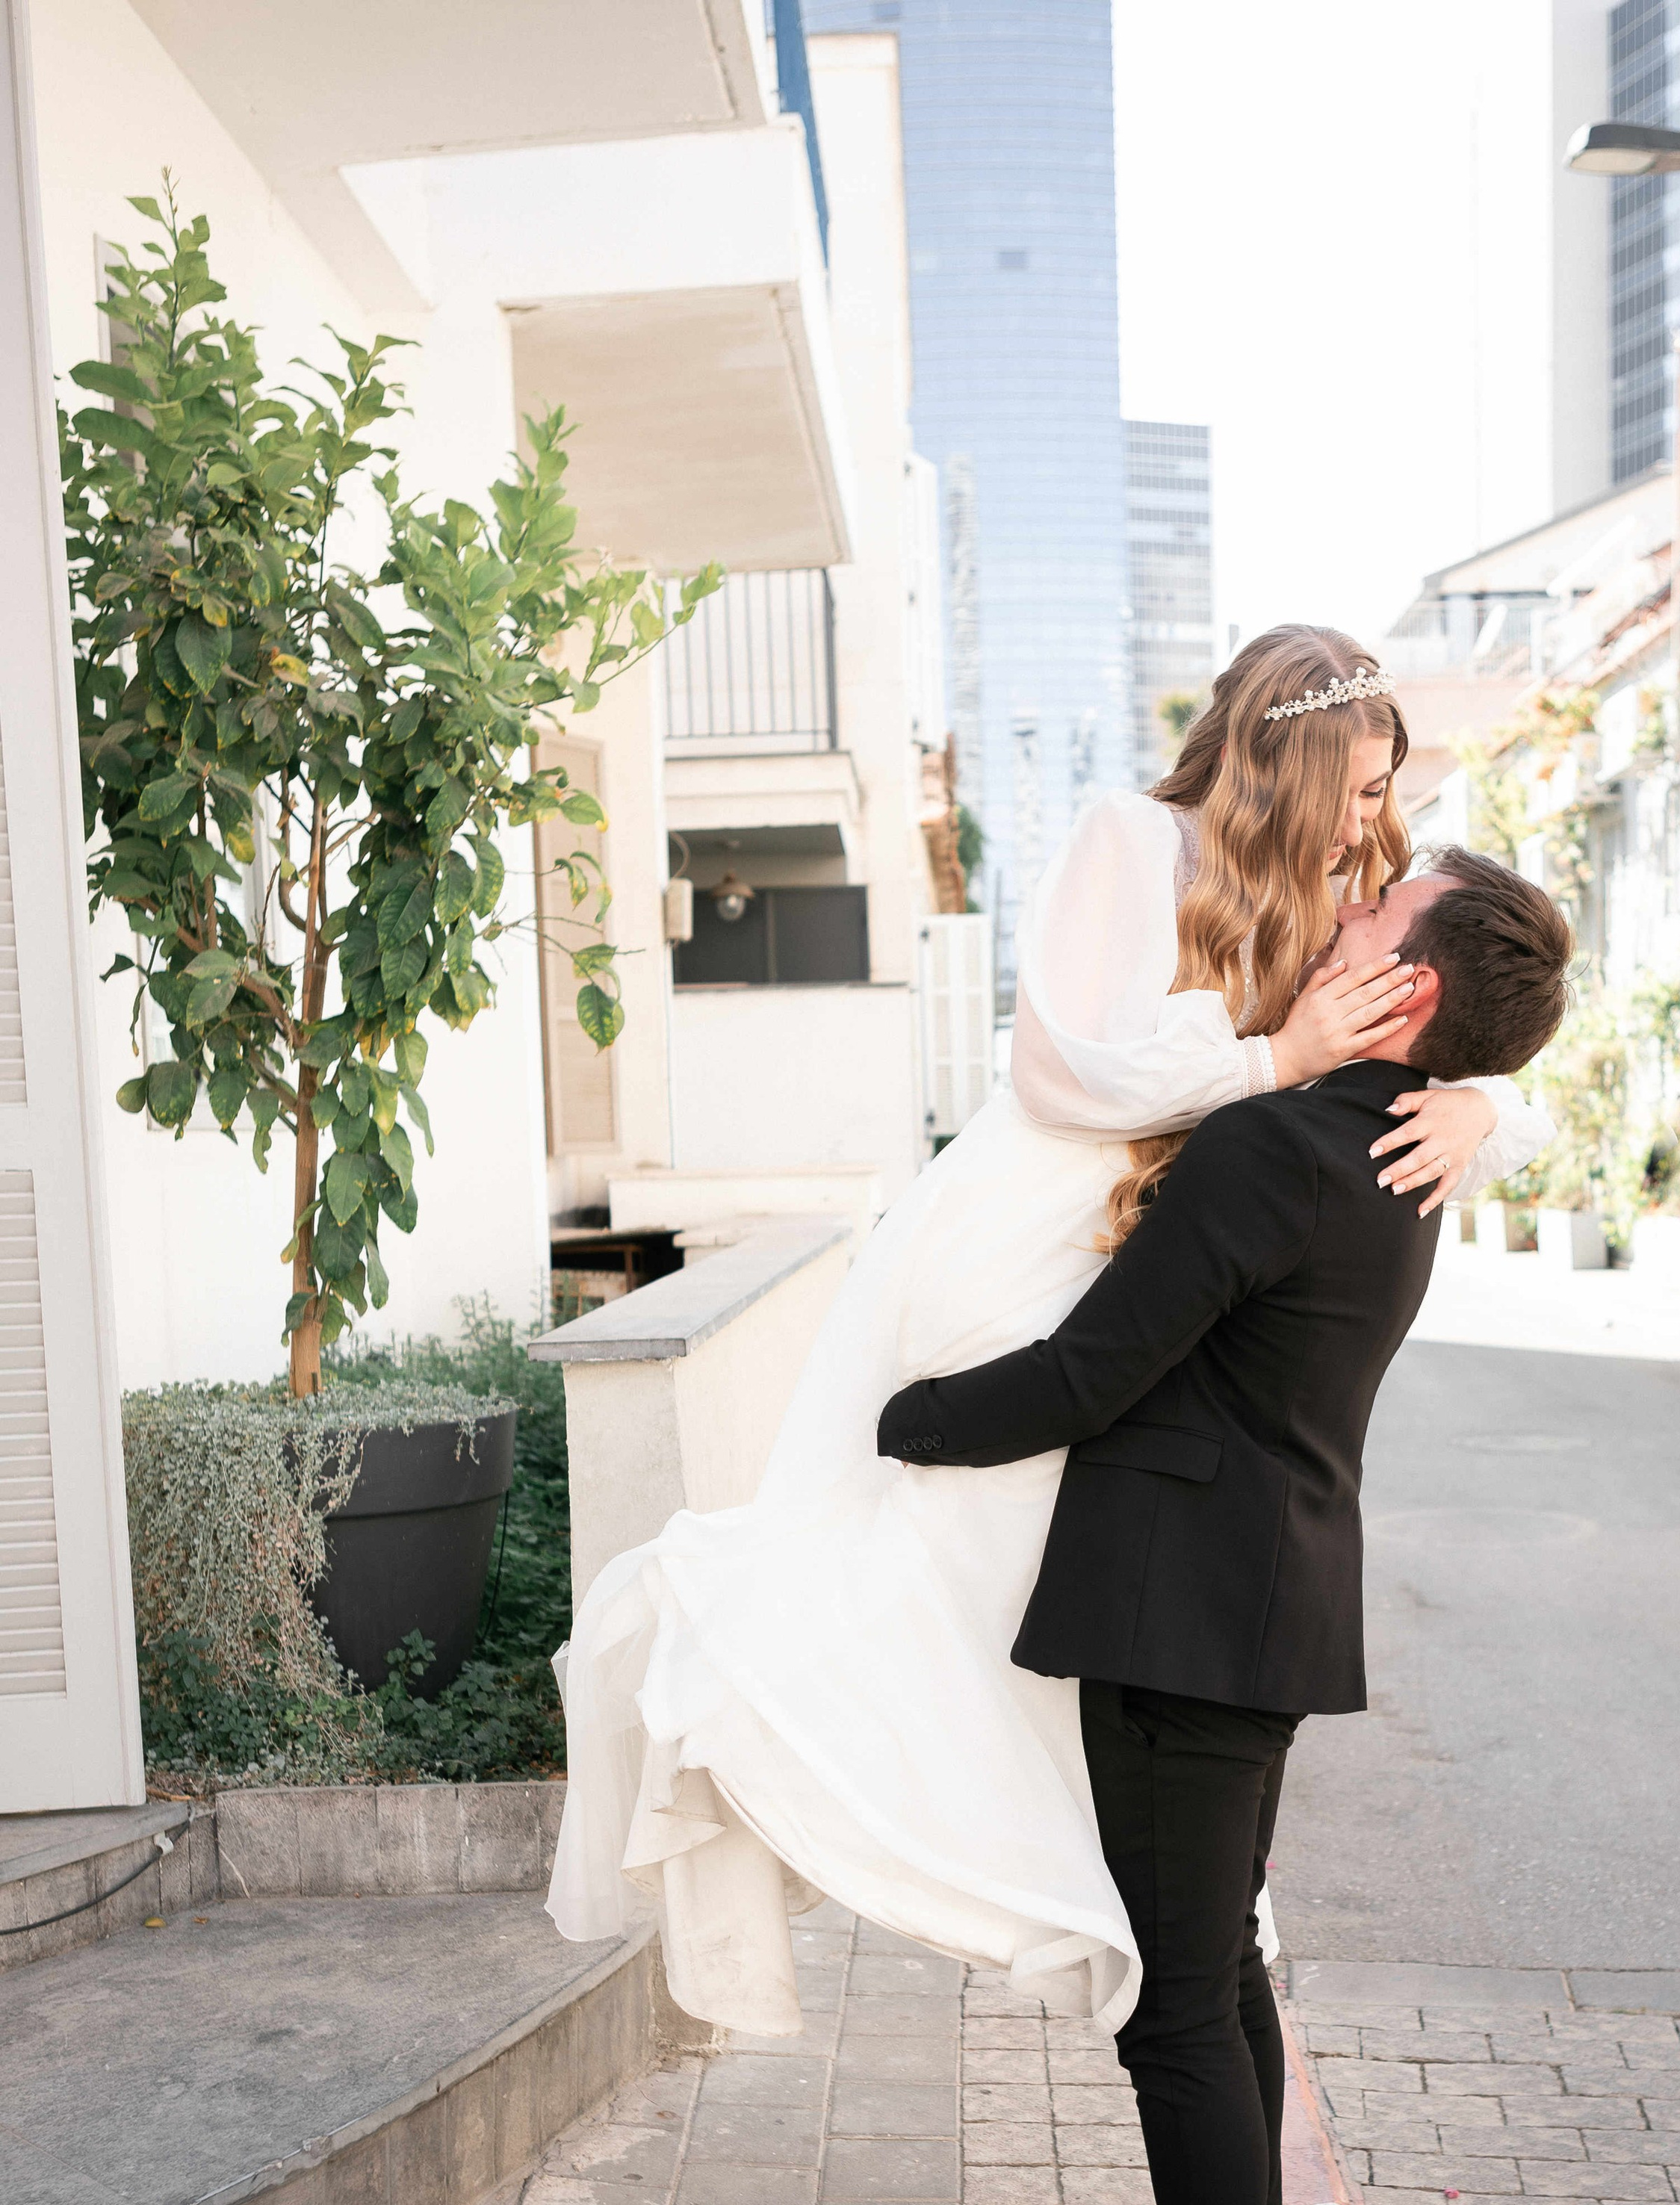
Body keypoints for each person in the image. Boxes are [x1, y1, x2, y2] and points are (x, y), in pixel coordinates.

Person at [547, 629, 1553, 2047]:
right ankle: (961, 1847)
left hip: (1175, 1241)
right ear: (1290, 755)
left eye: (1390, 789)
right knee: (925, 1561)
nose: (1376, 822)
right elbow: (1062, 1067)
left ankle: (1155, 1933)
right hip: (1039, 1223)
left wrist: (1490, 1109)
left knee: (1089, 1615)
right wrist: (1278, 1057)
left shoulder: (1364, 886)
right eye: (1365, 782)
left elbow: (1505, 996)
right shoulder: (1132, 842)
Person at [876, 843, 1575, 2205]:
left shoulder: (1279, 1143)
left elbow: (1093, 1370)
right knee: (1222, 1977)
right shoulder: (1391, 1157)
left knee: (1176, 2002)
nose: (1338, 919)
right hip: (1242, 1611)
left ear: (1406, 991)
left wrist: (898, 1419)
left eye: (1369, 919)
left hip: (1182, 1618)